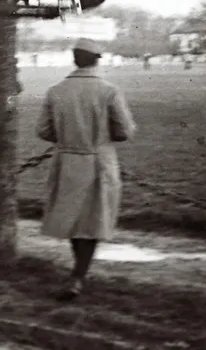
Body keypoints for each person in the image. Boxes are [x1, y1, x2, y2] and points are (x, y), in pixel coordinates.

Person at [35, 38, 137, 301]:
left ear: (74, 59)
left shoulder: (56, 90)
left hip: (67, 162)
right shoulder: (109, 91)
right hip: (97, 162)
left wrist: (68, 136)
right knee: (92, 221)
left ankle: (77, 274)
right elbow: (125, 131)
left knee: (74, 221)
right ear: (96, 60)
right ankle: (78, 277)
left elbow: (43, 130)